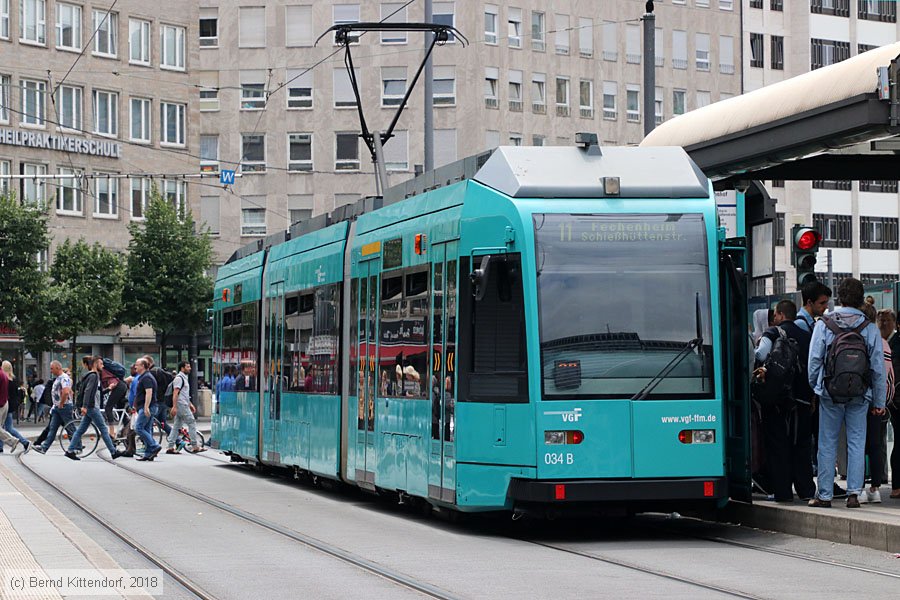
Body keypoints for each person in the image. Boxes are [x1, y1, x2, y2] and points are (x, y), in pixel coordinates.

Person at [808, 278, 886, 508]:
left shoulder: (825, 324)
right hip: (860, 394)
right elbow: (878, 368)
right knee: (856, 441)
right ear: (861, 299)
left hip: (830, 393)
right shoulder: (869, 328)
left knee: (827, 442)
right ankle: (853, 493)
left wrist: (818, 387)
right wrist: (878, 400)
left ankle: (824, 495)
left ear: (839, 298)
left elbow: (814, 360)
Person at [752, 300, 815, 502]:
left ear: (779, 314)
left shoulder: (773, 333)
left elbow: (760, 354)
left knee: (778, 445)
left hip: (779, 400)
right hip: (803, 399)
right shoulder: (807, 336)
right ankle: (806, 490)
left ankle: (783, 492)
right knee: (802, 444)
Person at [856, 303, 893, 503]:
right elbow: (887, 376)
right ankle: (875, 488)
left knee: (857, 444)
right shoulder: (883, 343)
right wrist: (883, 401)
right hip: (877, 402)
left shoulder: (855, 340)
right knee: (876, 445)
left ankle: (858, 487)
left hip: (856, 400)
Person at [64, 357, 123, 460]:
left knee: (81, 430)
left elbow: (96, 394)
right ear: (95, 364)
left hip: (90, 406)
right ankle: (113, 452)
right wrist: (85, 406)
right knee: (104, 429)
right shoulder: (93, 376)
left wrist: (108, 389)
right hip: (91, 407)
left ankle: (70, 450)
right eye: (101, 364)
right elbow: (88, 391)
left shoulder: (94, 376)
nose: (103, 366)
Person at [876, 308, 900, 499]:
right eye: (880, 321)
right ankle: (896, 485)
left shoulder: (893, 342)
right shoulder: (880, 343)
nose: (883, 324)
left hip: (893, 399)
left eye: (887, 321)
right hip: (890, 400)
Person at [33, 361, 76, 454]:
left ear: (57, 368)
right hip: (57, 407)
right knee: (52, 428)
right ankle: (44, 448)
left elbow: (65, 392)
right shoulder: (58, 378)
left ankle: (78, 446)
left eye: (52, 368)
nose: (51, 371)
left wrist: (61, 403)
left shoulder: (64, 378)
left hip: (64, 406)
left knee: (69, 427)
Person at [166, 361, 205, 454]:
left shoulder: (184, 378)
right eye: (188, 367)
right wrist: (174, 406)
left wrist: (190, 404)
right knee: (191, 422)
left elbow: (184, 394)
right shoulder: (179, 379)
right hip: (181, 405)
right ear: (182, 368)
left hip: (182, 404)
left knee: (176, 426)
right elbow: (176, 393)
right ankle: (195, 446)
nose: (190, 368)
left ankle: (170, 447)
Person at [133, 358, 162, 461]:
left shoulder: (146, 378)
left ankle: (154, 445)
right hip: (148, 406)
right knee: (147, 429)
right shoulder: (144, 377)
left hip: (148, 407)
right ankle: (148, 453)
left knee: (139, 428)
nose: (135, 366)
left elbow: (149, 392)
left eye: (137, 364)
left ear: (143, 366)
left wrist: (146, 407)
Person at [0, 361, 30, 452]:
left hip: (4, 405)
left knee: (8, 428)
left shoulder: (4, 378)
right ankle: (0, 446)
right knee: (3, 427)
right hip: (9, 406)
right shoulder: (13, 379)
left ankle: (24, 442)